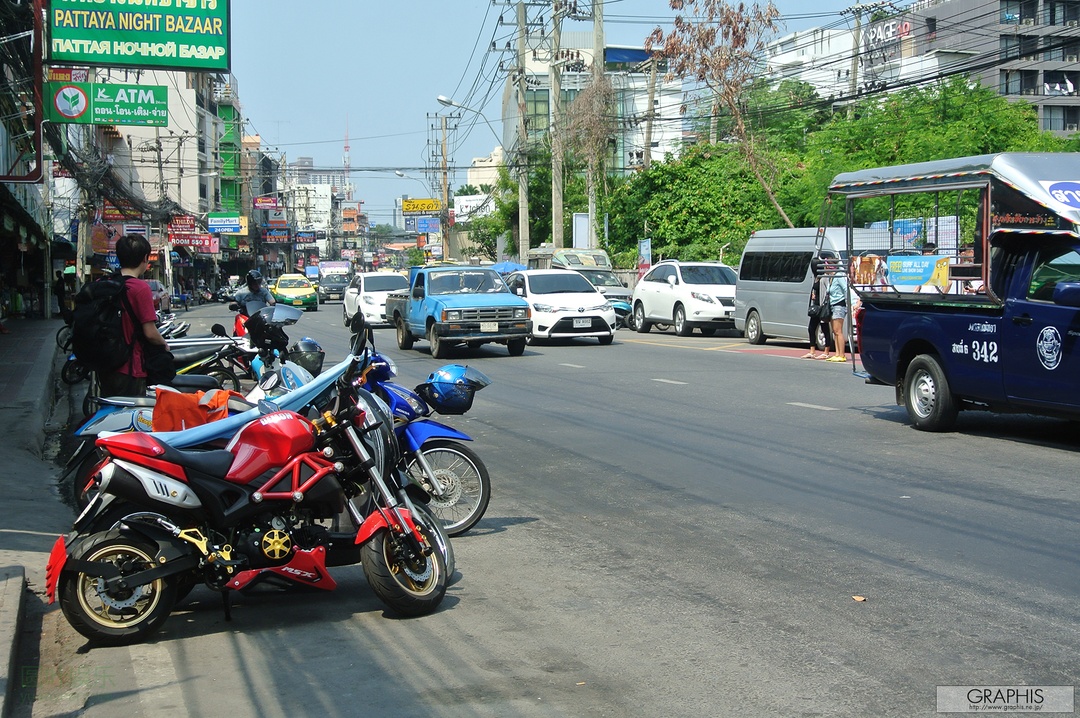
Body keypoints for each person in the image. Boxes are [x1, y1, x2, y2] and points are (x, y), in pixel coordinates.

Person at [99, 234, 170, 397]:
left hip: (104, 363)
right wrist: (164, 345)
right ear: (145, 258)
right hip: (130, 366)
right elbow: (150, 333)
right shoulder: (139, 288)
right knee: (131, 418)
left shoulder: (103, 284)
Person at [802, 263, 835, 360]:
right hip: (815, 306)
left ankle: (826, 351)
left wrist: (823, 305)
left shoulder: (823, 278)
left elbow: (825, 292)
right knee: (811, 328)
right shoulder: (816, 277)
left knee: (825, 329)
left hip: (821, 306)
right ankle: (812, 351)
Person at [825, 259, 850, 362]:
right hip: (832, 305)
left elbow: (845, 288)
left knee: (838, 330)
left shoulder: (839, 275)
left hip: (839, 305)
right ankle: (837, 353)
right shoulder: (831, 278)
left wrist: (848, 302)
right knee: (834, 331)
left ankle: (842, 354)